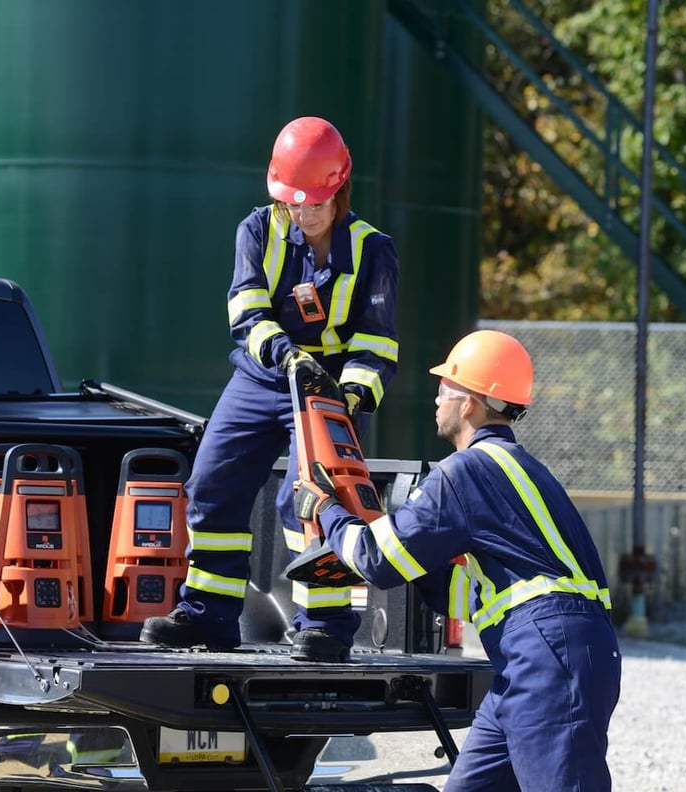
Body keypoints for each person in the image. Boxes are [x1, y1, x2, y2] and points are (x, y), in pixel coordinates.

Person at [290, 329, 622, 790]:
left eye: (444, 389)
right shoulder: (521, 468)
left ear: (470, 403)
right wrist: (415, 552)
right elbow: (473, 594)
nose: (436, 400)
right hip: (540, 654)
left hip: (546, 656)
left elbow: (376, 560)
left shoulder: (464, 472)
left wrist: (325, 509)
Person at [139, 116, 400, 662]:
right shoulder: (257, 230)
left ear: (340, 190)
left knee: (313, 499)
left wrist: (347, 399)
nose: (303, 215)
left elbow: (378, 343)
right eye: (293, 204)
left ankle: (326, 626)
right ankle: (208, 616)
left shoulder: (373, 249)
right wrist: (288, 357)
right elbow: (247, 312)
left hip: (329, 389)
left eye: (315, 205)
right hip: (263, 377)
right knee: (211, 484)